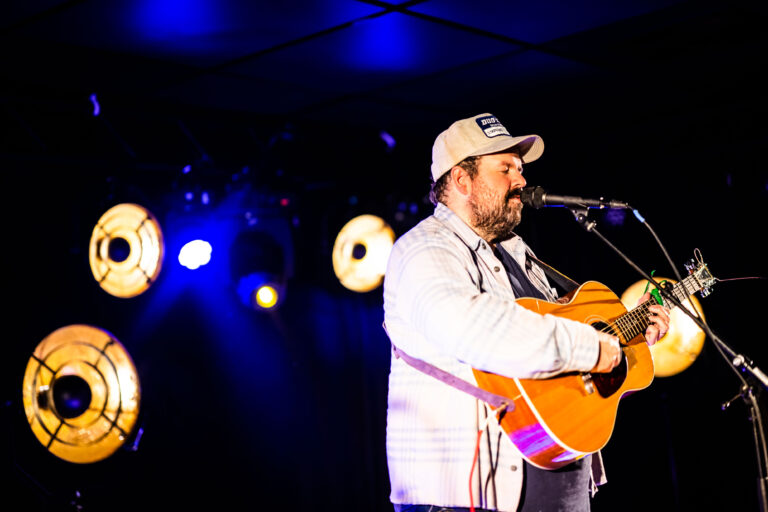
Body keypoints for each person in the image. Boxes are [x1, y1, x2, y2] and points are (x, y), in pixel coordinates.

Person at [382, 113, 670, 512]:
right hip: (466, 495)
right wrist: (592, 346)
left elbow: (555, 351)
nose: (521, 181)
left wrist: (629, 335)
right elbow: (470, 328)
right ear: (462, 180)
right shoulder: (424, 248)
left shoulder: (519, 254)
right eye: (505, 169)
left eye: (520, 169)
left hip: (557, 474)